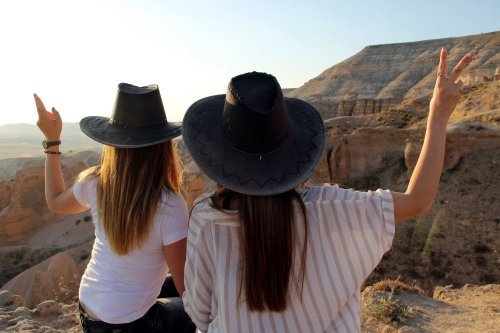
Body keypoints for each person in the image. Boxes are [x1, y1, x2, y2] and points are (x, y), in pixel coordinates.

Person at [180, 48, 473, 333]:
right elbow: (418, 201)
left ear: (219, 158)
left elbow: (199, 313)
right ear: (292, 151)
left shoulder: (206, 219)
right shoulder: (333, 206)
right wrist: (437, 116)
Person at [34, 83, 196, 332]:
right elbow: (188, 290)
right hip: (128, 325)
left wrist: (52, 140)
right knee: (189, 311)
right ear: (164, 147)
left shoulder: (96, 182)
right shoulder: (169, 204)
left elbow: (55, 201)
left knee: (168, 287)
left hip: (89, 311)